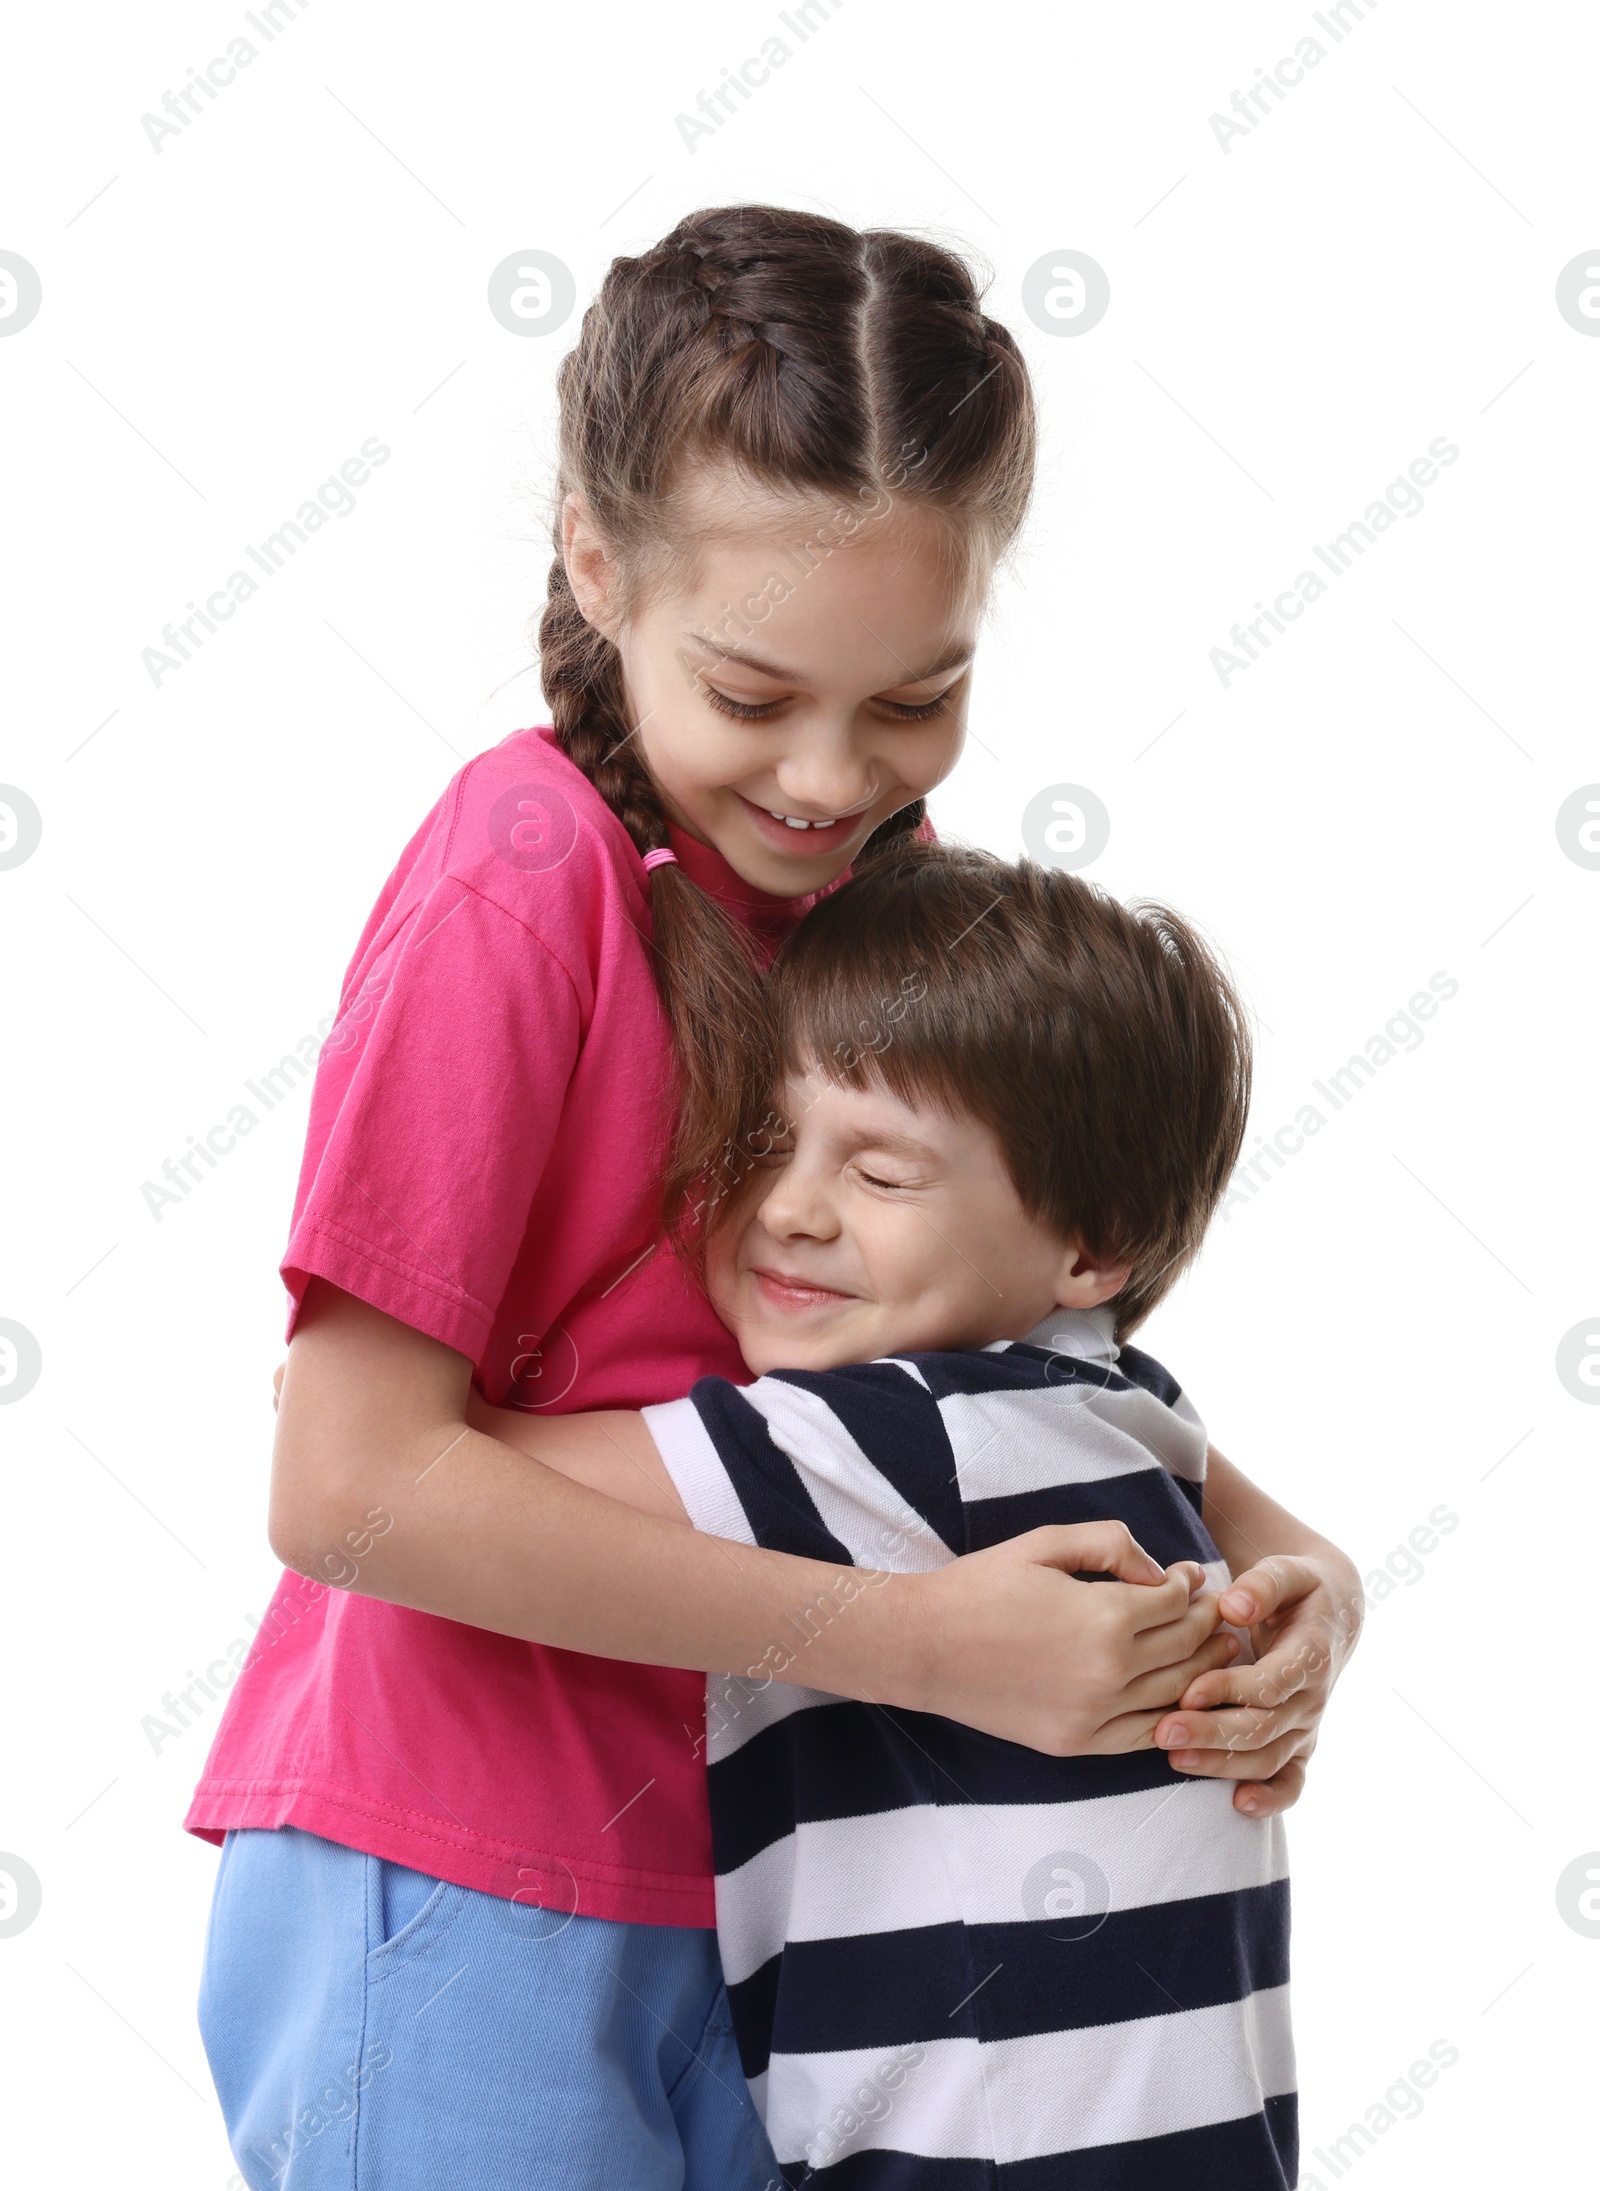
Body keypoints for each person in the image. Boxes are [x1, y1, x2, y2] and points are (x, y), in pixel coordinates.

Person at [191, 205, 1358, 2190]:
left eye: (912, 700)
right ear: (592, 561)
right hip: (460, 1859)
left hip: (773, 1900)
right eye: (752, 693)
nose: (830, 776)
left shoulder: (877, 908)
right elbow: (349, 1485)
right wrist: (921, 1646)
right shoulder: (520, 875)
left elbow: (1038, 1373)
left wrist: (1300, 1585)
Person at [471, 842, 1314, 2185]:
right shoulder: (1126, 1407)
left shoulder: (895, 1433)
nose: (789, 1208)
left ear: (1088, 1248)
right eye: (763, 1137)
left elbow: (466, 1483)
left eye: (881, 1175)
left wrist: (379, 1371)